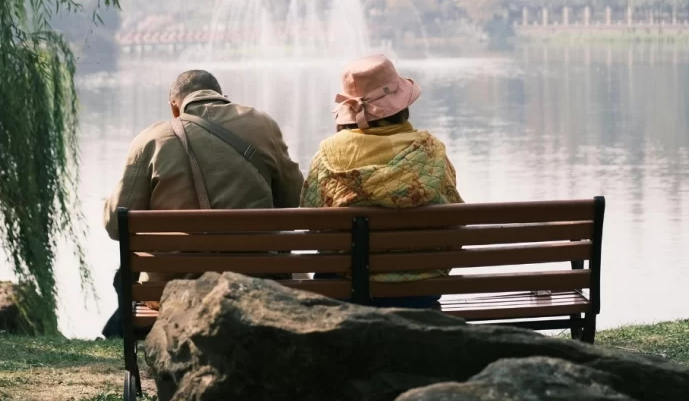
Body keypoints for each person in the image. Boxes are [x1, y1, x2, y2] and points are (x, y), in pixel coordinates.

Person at [102, 69, 305, 336]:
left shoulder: (151, 140)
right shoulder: (262, 125)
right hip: (258, 282)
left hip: (174, 290)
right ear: (222, 97)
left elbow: (117, 225)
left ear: (175, 106)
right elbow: (293, 200)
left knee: (125, 278)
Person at [300, 54, 464, 309]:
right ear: (401, 105)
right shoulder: (431, 152)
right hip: (419, 292)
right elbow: (454, 220)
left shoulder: (326, 156)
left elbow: (311, 227)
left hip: (344, 291)